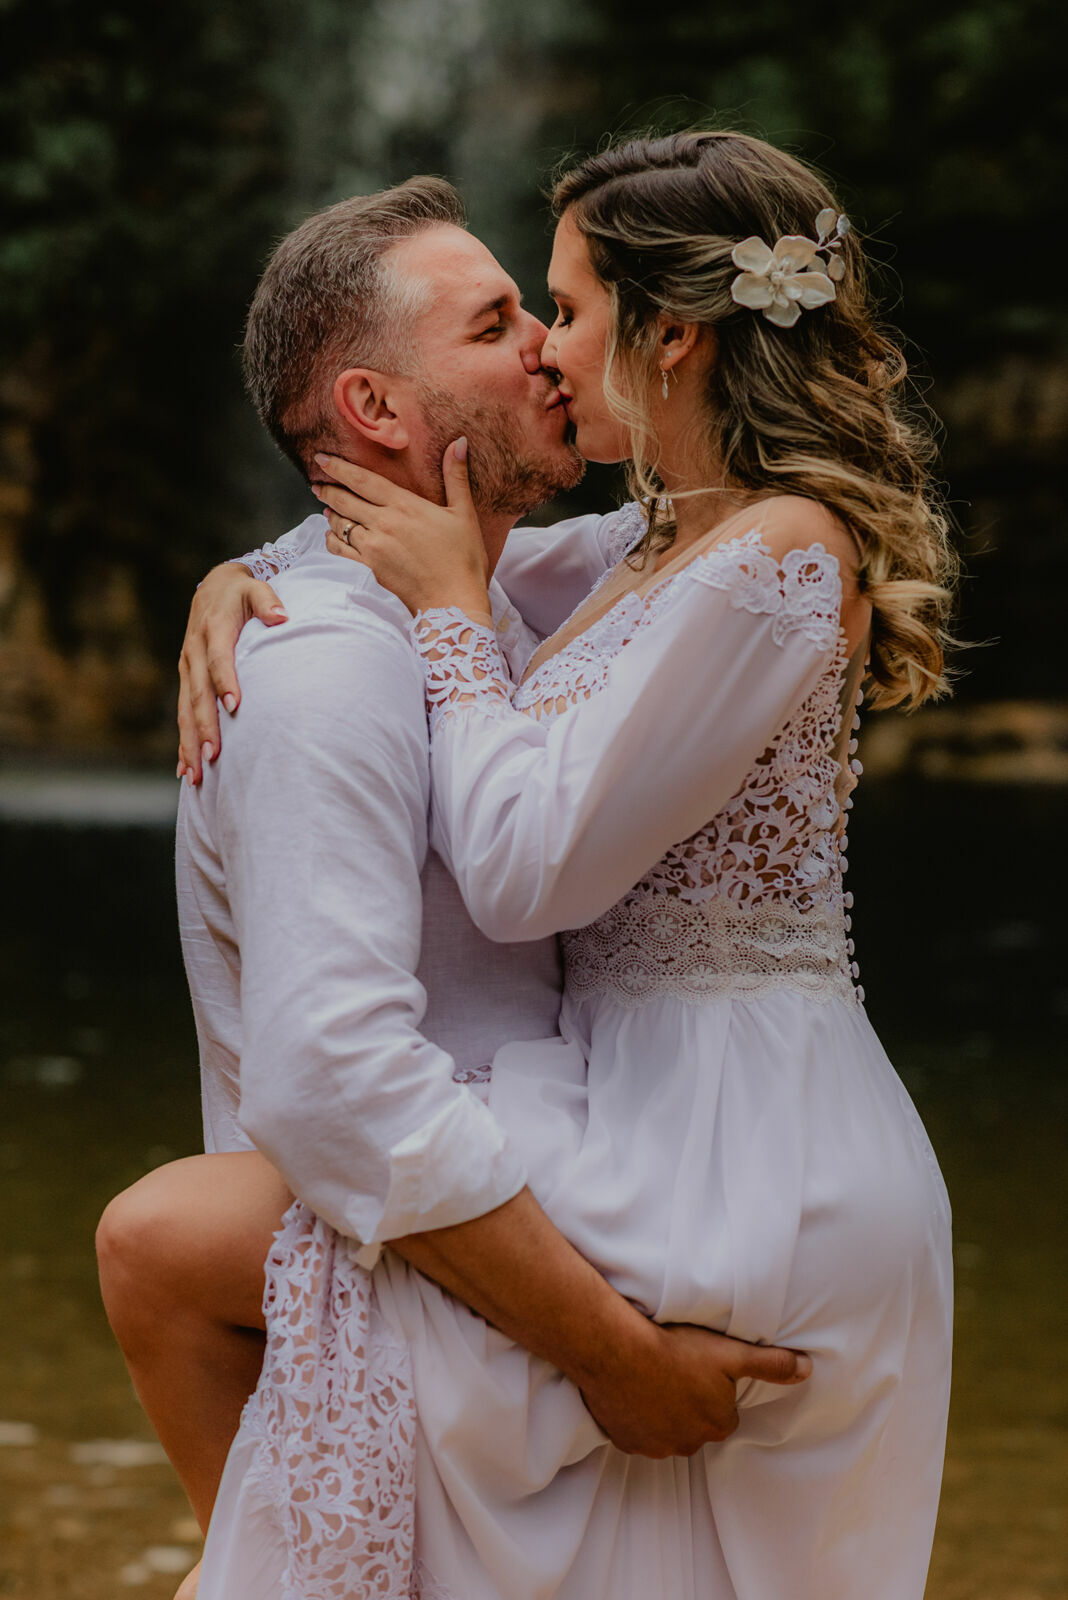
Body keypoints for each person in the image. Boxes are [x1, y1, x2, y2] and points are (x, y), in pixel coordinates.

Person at [97, 172, 813, 1600]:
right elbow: (336, 1077)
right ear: (375, 410)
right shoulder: (323, 671)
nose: (550, 350)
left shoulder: (508, 586)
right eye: (501, 325)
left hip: (506, 1302)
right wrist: (621, 1362)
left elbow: (715, 544)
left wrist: (238, 566)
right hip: (458, 1287)